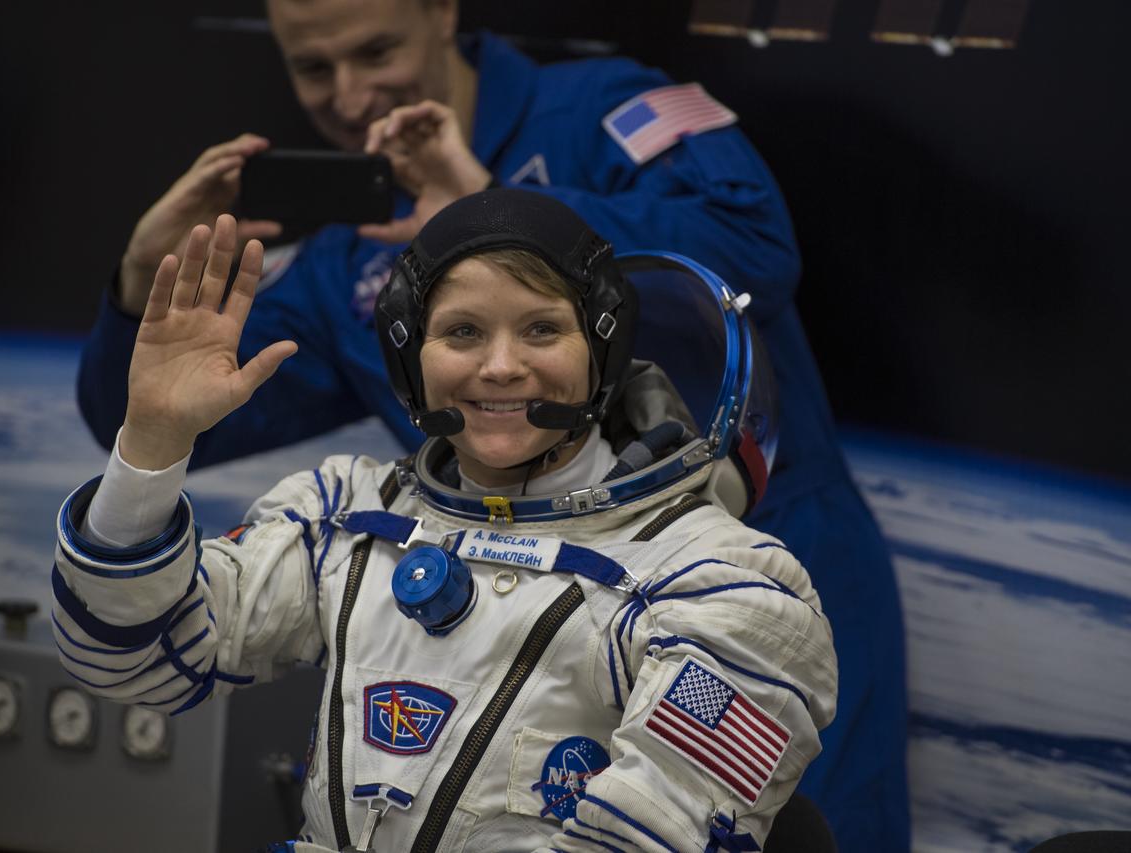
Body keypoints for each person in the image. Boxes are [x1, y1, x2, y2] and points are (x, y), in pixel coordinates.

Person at [75, 1, 908, 847]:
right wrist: (144, 284)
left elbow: (756, 247)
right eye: (315, 69)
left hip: (754, 533)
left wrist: (492, 206)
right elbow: (168, 413)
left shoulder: (609, 111)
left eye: (377, 49)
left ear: (442, 13)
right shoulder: (351, 268)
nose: (352, 94)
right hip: (479, 558)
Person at [53, 190, 838, 852]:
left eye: (541, 329)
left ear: (602, 348)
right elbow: (138, 660)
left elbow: (648, 835)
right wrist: (154, 440)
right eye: (462, 332)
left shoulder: (719, 585)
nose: (500, 366)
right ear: (410, 357)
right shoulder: (346, 518)